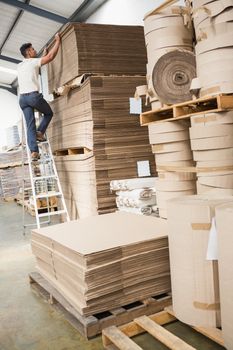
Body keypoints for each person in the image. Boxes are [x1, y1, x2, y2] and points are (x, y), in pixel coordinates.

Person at [18, 33, 61, 161]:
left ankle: (34, 152)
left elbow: (35, 66)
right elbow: (51, 56)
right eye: (32, 49)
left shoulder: (20, 65)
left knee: (30, 125)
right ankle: (40, 132)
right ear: (28, 52)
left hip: (22, 100)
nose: (34, 50)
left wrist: (43, 56)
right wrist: (58, 41)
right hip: (33, 97)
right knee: (48, 113)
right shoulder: (33, 62)